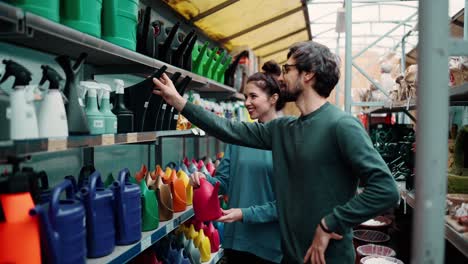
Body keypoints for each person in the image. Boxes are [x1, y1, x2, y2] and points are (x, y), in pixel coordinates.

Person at [153, 41, 400, 264]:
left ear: (308, 74)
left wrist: (331, 223)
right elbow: (230, 130)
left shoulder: (341, 125)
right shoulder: (283, 129)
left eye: (288, 69)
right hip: (290, 255)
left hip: (327, 257)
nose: (281, 77)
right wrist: (180, 103)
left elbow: (385, 189)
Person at [190, 61, 284, 264]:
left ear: (273, 99)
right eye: (245, 97)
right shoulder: (241, 138)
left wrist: (245, 214)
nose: (247, 102)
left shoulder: (286, 142)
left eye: (253, 96)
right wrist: (203, 180)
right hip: (236, 242)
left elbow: (287, 204)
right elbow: (222, 181)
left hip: (269, 246)